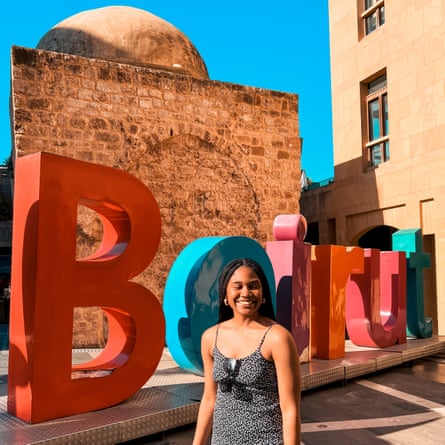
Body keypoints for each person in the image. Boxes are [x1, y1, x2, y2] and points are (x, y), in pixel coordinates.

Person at [192, 257, 301, 445]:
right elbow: (210, 399)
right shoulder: (210, 337)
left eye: (253, 286)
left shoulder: (277, 338)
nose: (246, 293)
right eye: (238, 286)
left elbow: (290, 409)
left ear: (263, 293)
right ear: (225, 293)